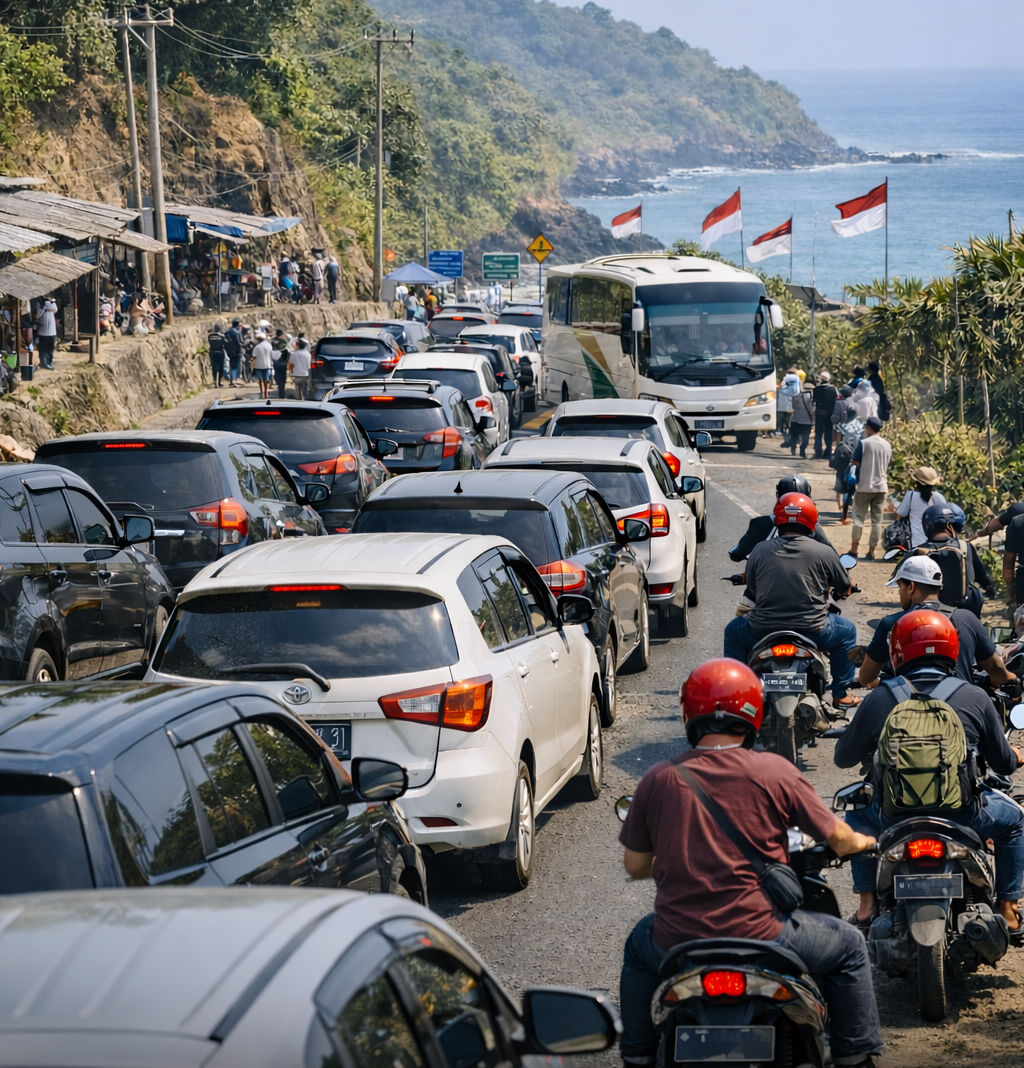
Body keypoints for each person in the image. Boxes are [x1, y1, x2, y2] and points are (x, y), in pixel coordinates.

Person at [618, 659, 883, 1068]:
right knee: (849, 945)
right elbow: (839, 839)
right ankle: (855, 1058)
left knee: (638, 947)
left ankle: (635, 1056)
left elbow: (635, 865)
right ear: (753, 712)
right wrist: (865, 840)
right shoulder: (776, 770)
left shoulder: (659, 778)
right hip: (765, 936)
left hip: (676, 940)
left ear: (690, 713)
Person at [836, 609, 1023, 938]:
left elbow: (842, 758)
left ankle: (866, 907)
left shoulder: (879, 697)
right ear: (952, 648)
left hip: (891, 817)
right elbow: (1004, 765)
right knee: (1015, 821)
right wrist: (1015, 756)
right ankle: (1008, 910)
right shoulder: (975, 696)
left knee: (855, 817)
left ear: (897, 652)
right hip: (963, 814)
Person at [723, 493, 859, 708]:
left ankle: (738, 694)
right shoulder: (824, 552)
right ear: (812, 520)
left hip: (762, 629)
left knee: (733, 630)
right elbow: (843, 587)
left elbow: (753, 589)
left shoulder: (759, 549)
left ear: (777, 520)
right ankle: (840, 694)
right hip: (814, 629)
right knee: (848, 631)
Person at [857, 555, 1013, 688]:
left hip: (907, 709)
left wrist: (886, 682)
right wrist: (1014, 679)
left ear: (911, 586)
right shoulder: (968, 619)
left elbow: (866, 678)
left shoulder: (892, 623)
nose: (899, 593)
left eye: (900, 587)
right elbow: (997, 671)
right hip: (960, 706)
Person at [729, 475, 831, 561]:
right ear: (808, 496)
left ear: (778, 496)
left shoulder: (762, 524)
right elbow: (832, 557)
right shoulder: (814, 526)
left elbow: (738, 553)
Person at [917, 502, 990, 617]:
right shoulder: (965, 547)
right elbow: (982, 576)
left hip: (928, 611)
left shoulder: (919, 550)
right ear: (953, 527)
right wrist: (989, 587)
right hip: (964, 609)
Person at [849, 416, 891, 560]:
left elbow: (855, 461)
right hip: (881, 487)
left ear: (869, 428)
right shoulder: (887, 445)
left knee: (858, 518)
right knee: (877, 521)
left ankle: (854, 549)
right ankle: (872, 551)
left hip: (864, 486)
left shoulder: (864, 443)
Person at [895, 466, 946, 548]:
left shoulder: (911, 495)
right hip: (935, 543)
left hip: (915, 543)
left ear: (917, 482)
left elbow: (902, 513)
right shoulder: (938, 497)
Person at [812, 371, 837, 460]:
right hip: (830, 414)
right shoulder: (833, 389)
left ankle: (818, 452)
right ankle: (828, 452)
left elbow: (813, 401)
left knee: (818, 433)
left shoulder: (816, 389)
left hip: (819, 414)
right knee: (828, 433)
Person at [788, 378, 815, 458]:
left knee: (794, 436)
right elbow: (812, 410)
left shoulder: (796, 396)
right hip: (807, 421)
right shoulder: (812, 398)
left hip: (795, 419)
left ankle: (793, 449)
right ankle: (802, 451)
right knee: (805, 438)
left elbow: (793, 407)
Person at [776, 366, 800, 444]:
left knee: (781, 417)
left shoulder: (784, 378)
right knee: (790, 419)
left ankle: (779, 430)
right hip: (793, 400)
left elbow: (781, 388)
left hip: (782, 401)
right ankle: (790, 432)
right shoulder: (797, 379)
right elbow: (797, 390)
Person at [251, 331, 274, 400]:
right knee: (266, 379)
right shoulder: (269, 345)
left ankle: (262, 391)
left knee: (260, 379)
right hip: (268, 364)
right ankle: (266, 391)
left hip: (259, 365)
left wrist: (251, 360)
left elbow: (254, 356)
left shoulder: (257, 347)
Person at [36, 299, 57, 369]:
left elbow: (55, 309)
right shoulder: (39, 303)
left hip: (52, 331)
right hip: (42, 331)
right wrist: (46, 309)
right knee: (43, 348)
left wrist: (47, 308)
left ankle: (49, 362)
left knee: (50, 348)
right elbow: (38, 314)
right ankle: (44, 363)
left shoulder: (52, 302)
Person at [270, 327, 291, 399]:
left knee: (277, 375)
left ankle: (280, 387)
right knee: (283, 377)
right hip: (283, 362)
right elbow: (288, 351)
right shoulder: (284, 342)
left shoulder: (272, 341)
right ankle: (282, 391)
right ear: (281, 334)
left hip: (276, 361)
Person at [224, 318, 244, 388]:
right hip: (236, 351)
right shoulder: (237, 332)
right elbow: (239, 342)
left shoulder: (227, 331)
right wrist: (240, 351)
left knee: (232, 365)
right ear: (238, 324)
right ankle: (235, 380)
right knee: (236, 366)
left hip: (229, 351)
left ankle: (232, 379)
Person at [207, 322, 227, 387]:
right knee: (221, 367)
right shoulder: (222, 336)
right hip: (220, 352)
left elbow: (209, 343)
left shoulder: (210, 336)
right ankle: (219, 381)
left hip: (212, 352)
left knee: (214, 367)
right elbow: (225, 343)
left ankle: (215, 380)